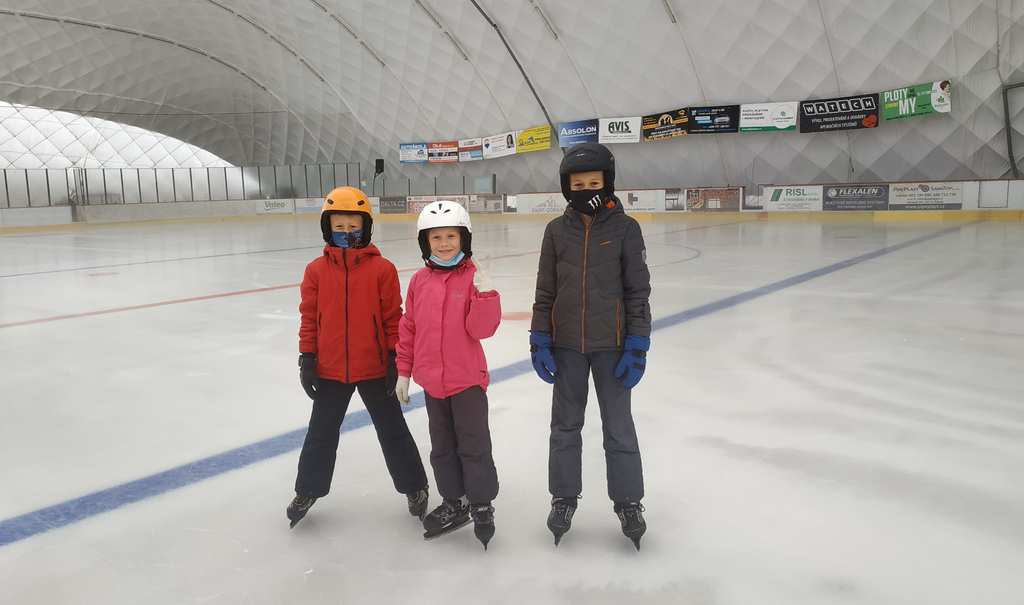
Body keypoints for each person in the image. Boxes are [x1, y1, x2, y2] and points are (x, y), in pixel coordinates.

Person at [529, 142, 652, 550]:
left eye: (593, 182)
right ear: (567, 187)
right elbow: (544, 290)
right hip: (566, 347)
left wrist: (637, 344)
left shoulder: (625, 229)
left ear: (608, 182)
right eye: (577, 183)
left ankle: (628, 502)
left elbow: (638, 291)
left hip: (612, 348)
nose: (585, 189)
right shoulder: (555, 231)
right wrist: (539, 337)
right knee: (565, 427)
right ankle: (563, 497)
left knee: (619, 428)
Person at [287, 186, 429, 528]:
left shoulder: (382, 269)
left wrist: (396, 357)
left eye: (353, 225)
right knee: (320, 433)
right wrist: (308, 358)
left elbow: (393, 318)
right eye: (339, 225)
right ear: (327, 227)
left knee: (392, 430)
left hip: (375, 367)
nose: (347, 232)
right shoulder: (316, 271)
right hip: (330, 369)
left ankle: (416, 486)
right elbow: (309, 317)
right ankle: (308, 489)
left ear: (365, 227)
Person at [395, 200, 502, 550]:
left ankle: (482, 502)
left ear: (463, 238)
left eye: (450, 236)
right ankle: (454, 500)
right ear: (425, 242)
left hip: (467, 381)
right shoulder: (419, 281)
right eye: (436, 237)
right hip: (433, 384)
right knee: (442, 448)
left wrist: (486, 296)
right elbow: (409, 328)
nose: (443, 244)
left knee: (474, 445)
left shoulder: (473, 278)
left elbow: (481, 330)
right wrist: (403, 373)